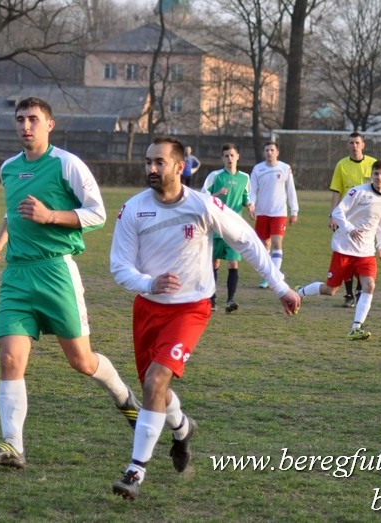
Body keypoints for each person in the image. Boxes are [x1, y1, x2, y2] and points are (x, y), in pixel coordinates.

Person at [110, 136, 301, 501]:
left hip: (191, 308)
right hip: (147, 308)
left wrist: (280, 287)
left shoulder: (202, 205)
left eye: (159, 162)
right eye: (147, 162)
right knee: (157, 391)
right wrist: (149, 282)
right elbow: (118, 266)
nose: (150, 168)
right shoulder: (133, 209)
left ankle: (135, 471)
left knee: (154, 382)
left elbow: (246, 238)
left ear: (180, 167)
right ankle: (182, 429)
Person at [0, 97, 141, 470]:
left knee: (81, 361)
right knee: (9, 358)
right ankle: (13, 445)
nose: (25, 126)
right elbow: (11, 210)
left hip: (56, 272)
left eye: (33, 119)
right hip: (17, 275)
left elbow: (97, 213)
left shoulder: (67, 164)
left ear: (50, 124)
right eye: (19, 120)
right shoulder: (9, 168)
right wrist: (1, 241)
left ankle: (126, 400)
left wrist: (51, 216)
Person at [296, 159, 381, 341]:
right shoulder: (357, 192)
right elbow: (337, 212)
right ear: (371, 175)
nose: (379, 177)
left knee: (369, 285)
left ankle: (355, 327)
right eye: (376, 174)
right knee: (330, 290)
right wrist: (350, 229)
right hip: (344, 247)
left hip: (366, 252)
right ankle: (299, 293)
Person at [201, 143, 253, 313]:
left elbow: (245, 198)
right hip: (216, 225)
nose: (229, 159)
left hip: (234, 228)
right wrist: (216, 194)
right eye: (226, 156)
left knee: (233, 263)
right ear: (222, 158)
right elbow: (202, 197)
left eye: (232, 155)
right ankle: (212, 299)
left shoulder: (245, 178)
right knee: (214, 262)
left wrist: (250, 207)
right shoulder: (215, 176)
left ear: (238, 156)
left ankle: (230, 300)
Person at [329, 131, 376, 308]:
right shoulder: (341, 165)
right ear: (347, 145)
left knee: (363, 253)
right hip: (345, 218)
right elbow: (336, 191)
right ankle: (349, 294)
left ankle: (358, 290)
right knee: (345, 253)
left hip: (365, 218)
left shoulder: (372, 164)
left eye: (357, 143)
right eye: (351, 143)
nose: (354, 146)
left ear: (363, 145)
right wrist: (332, 215)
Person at [248, 141, 299, 288]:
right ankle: (268, 275)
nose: (269, 153)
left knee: (277, 243)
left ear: (277, 152)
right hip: (262, 212)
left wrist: (294, 211)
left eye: (272, 150)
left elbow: (291, 190)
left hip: (279, 213)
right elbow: (253, 191)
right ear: (264, 153)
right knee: (264, 246)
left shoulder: (284, 168)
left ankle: (274, 276)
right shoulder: (258, 169)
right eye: (267, 150)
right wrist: (252, 205)